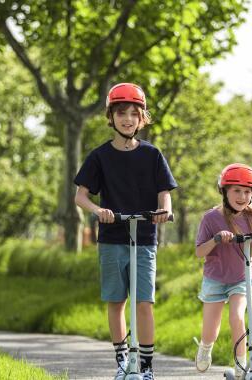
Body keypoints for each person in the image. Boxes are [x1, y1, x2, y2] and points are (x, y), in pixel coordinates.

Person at [74, 83, 177, 380]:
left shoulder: (152, 155)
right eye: (121, 113)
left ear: (142, 118)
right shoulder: (99, 156)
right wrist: (98, 212)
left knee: (144, 302)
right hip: (112, 238)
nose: (128, 118)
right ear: (111, 116)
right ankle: (122, 362)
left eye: (134, 113)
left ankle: (145, 367)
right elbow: (81, 196)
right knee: (116, 301)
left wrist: (164, 210)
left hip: (144, 238)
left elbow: (164, 192)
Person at [194, 163, 252, 379]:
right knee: (211, 330)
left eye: (247, 191)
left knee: (238, 317)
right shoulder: (210, 218)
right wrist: (216, 239)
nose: (242, 196)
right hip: (215, 279)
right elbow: (199, 252)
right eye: (237, 190)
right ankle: (205, 347)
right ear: (224, 191)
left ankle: (242, 365)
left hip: (241, 278)